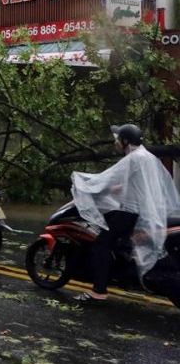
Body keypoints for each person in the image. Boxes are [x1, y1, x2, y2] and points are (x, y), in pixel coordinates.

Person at [70, 124, 180, 304]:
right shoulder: (148, 157)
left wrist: (83, 184)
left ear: (125, 141)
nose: (116, 143)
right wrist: (115, 189)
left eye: (117, 140)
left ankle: (98, 291)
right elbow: (132, 184)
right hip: (146, 212)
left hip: (130, 213)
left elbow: (106, 179)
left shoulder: (132, 159)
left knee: (101, 244)